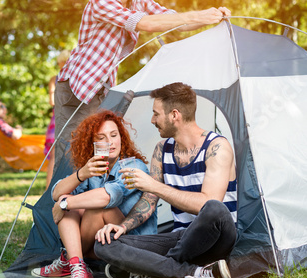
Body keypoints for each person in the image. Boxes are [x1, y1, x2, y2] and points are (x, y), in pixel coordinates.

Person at [53, 0, 231, 176]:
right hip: (78, 87)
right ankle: (59, 203)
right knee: (71, 154)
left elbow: (176, 22)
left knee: (97, 150)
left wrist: (213, 16)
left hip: (100, 89)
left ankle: (86, 201)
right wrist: (197, 15)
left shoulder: (139, 2)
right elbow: (143, 23)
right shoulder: (101, 2)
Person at [94, 82, 237, 278]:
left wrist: (153, 185)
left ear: (174, 115)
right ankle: (193, 271)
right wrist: (123, 227)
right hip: (180, 239)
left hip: (216, 238)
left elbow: (207, 204)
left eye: (156, 114)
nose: (153, 120)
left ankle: (154, 268)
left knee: (214, 208)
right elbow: (149, 201)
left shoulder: (217, 146)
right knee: (105, 243)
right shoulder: (162, 150)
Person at [32, 110, 157, 278]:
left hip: (134, 244)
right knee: (67, 200)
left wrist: (64, 204)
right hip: (104, 241)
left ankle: (69, 259)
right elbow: (56, 193)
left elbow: (108, 197)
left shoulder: (133, 166)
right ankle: (76, 264)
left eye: (114, 135)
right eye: (101, 137)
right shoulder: (95, 168)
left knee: (92, 207)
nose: (109, 142)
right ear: (92, 143)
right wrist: (81, 175)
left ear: (121, 137)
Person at [45, 50, 71, 189]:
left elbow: (52, 100)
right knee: (55, 154)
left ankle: (58, 188)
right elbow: (52, 101)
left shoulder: (56, 79)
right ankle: (49, 190)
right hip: (62, 118)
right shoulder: (74, 79)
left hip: (61, 117)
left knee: (58, 155)